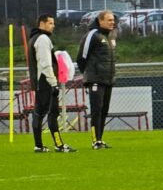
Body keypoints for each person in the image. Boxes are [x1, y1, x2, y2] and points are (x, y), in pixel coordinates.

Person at [28, 14, 76, 153]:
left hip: (38, 82)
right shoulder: (43, 39)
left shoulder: (33, 39)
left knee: (38, 113)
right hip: (46, 81)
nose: (53, 25)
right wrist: (53, 83)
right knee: (52, 113)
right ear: (41, 24)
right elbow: (45, 64)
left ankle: (38, 145)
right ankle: (59, 145)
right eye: (50, 23)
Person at [76, 10, 117, 150]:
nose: (113, 22)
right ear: (100, 21)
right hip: (95, 79)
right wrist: (89, 74)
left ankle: (100, 139)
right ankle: (95, 141)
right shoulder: (92, 35)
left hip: (108, 79)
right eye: (109, 20)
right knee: (96, 110)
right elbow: (81, 57)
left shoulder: (110, 36)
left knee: (104, 110)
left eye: (113, 20)